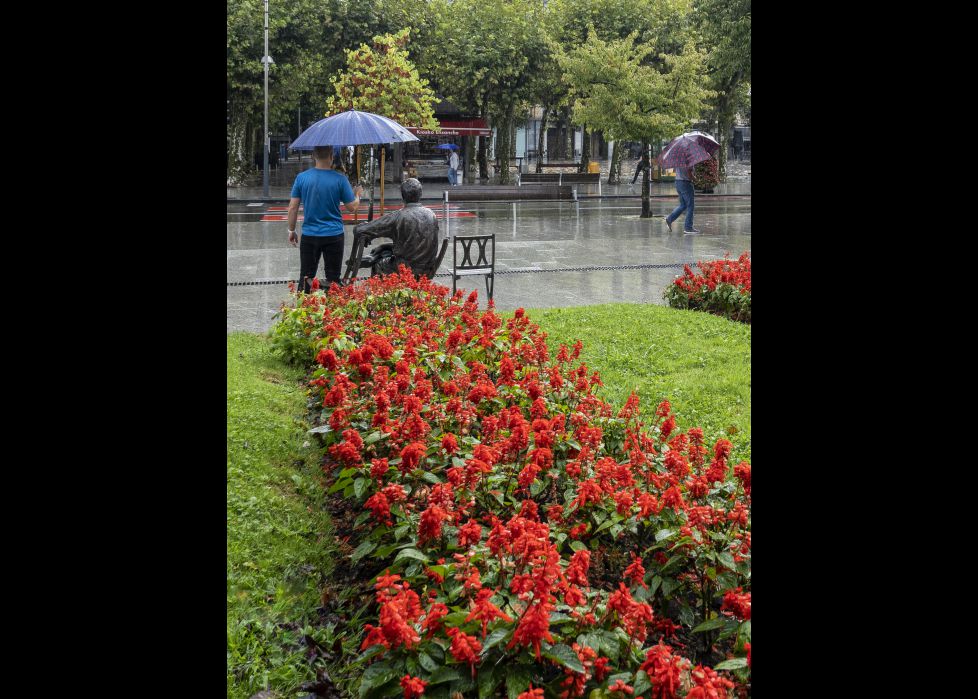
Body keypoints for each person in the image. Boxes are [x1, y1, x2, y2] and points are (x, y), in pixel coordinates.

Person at [287, 145, 364, 292]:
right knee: (333, 279)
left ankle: (305, 303)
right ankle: (331, 304)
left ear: (313, 156)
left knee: (306, 277)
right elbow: (352, 207)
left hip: (310, 235)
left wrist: (291, 230)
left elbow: (292, 208)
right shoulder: (340, 179)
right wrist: (357, 195)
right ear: (331, 156)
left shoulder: (302, 178)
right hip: (334, 235)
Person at [352, 178, 440, 279]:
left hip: (406, 270)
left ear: (403, 196)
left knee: (379, 264)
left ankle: (379, 289)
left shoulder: (398, 216)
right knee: (384, 252)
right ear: (420, 194)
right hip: (428, 270)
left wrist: (364, 226)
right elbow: (414, 244)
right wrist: (384, 247)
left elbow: (359, 230)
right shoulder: (432, 214)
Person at [664, 163, 700, 234]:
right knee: (690, 206)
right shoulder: (689, 161)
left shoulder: (679, 160)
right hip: (686, 183)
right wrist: (696, 180)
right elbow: (689, 175)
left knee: (683, 205)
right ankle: (688, 228)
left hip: (678, 182)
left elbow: (674, 170)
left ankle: (669, 219)